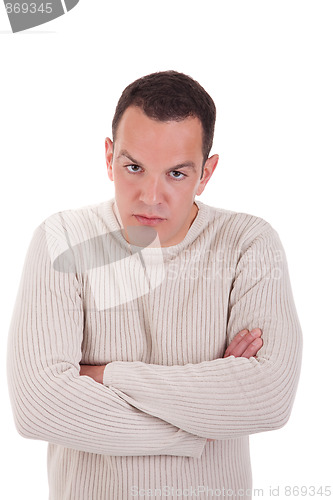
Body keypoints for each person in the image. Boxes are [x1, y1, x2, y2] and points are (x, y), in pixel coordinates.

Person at [7, 70, 302, 500]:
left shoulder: (248, 244)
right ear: (109, 158)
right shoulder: (63, 240)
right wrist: (196, 428)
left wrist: (103, 375)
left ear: (206, 172)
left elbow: (269, 398)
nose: (150, 195)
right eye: (134, 167)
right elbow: (38, 408)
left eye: (177, 174)